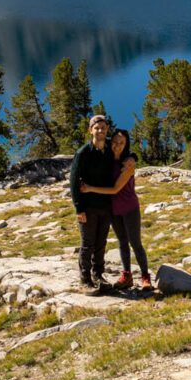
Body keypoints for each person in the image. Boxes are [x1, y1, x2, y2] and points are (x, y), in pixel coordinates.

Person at [79, 128, 152, 290]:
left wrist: (90, 188)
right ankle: (127, 275)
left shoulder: (128, 164)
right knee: (122, 242)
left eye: (121, 143)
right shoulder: (107, 159)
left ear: (126, 145)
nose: (117, 145)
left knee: (135, 243)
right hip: (113, 209)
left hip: (129, 208)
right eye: (115, 142)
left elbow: (115, 189)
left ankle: (145, 276)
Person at [68, 112, 116, 293]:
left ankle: (98, 274)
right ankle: (85, 279)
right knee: (87, 243)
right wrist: (78, 208)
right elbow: (73, 181)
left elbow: (126, 152)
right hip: (87, 206)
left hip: (105, 205)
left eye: (103, 127)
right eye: (96, 128)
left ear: (107, 129)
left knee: (101, 242)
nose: (100, 130)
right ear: (90, 130)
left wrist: (132, 158)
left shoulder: (110, 149)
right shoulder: (83, 153)